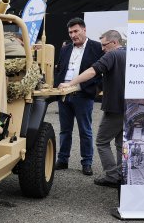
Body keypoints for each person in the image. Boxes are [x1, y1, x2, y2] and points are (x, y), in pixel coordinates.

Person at [59, 29, 126, 188]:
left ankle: (112, 176)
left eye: (104, 45)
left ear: (114, 42)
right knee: (119, 144)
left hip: (115, 108)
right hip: (131, 107)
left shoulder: (112, 55)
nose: (102, 49)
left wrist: (70, 83)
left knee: (102, 142)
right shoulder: (130, 54)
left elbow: (91, 71)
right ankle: (122, 174)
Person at [54, 17, 103, 176]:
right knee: (64, 130)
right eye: (70, 32)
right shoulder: (65, 49)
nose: (73, 35)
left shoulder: (96, 47)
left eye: (76, 31)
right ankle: (62, 159)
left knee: (85, 130)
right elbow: (60, 69)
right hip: (64, 95)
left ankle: (87, 162)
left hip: (83, 94)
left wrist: (95, 89)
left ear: (84, 30)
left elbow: (101, 72)